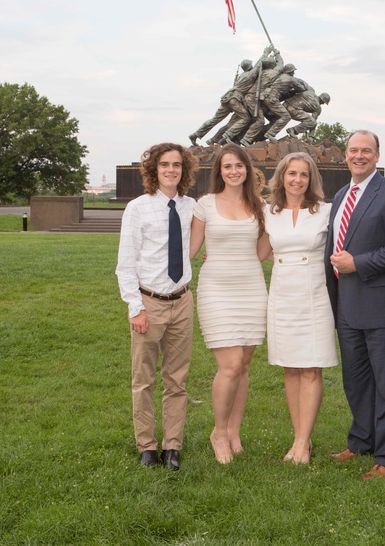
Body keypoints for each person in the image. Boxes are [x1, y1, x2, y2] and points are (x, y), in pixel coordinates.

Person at [326, 130, 385, 480]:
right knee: (357, 382)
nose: (359, 156)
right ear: (345, 156)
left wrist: (359, 263)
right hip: (348, 308)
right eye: (353, 150)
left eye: (366, 151)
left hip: (384, 308)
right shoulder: (340, 195)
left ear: (377, 156)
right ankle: (361, 441)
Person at [116, 142, 198, 471]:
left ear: (184, 170)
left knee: (177, 380)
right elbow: (126, 264)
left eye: (177, 165)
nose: (171, 170)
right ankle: (147, 445)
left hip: (182, 301)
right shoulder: (138, 208)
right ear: (154, 170)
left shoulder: (193, 207)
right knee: (144, 379)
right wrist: (135, 307)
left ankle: (172, 446)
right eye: (164, 165)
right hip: (149, 303)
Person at [188, 145, 270, 464]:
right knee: (231, 364)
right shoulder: (205, 205)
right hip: (216, 288)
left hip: (250, 286)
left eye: (239, 165)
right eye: (227, 166)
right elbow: (191, 249)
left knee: (244, 365)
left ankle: (234, 431)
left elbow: (263, 249)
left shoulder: (259, 205)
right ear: (218, 172)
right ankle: (218, 432)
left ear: (247, 169)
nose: (233, 171)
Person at [264, 152, 338, 464]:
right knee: (291, 368)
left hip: (314, 294)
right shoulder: (268, 212)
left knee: (310, 367)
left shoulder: (325, 211)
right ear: (281, 177)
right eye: (291, 173)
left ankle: (303, 442)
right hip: (282, 295)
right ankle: (298, 441)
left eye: (303, 175)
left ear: (311, 180)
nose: (297, 179)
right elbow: (259, 249)